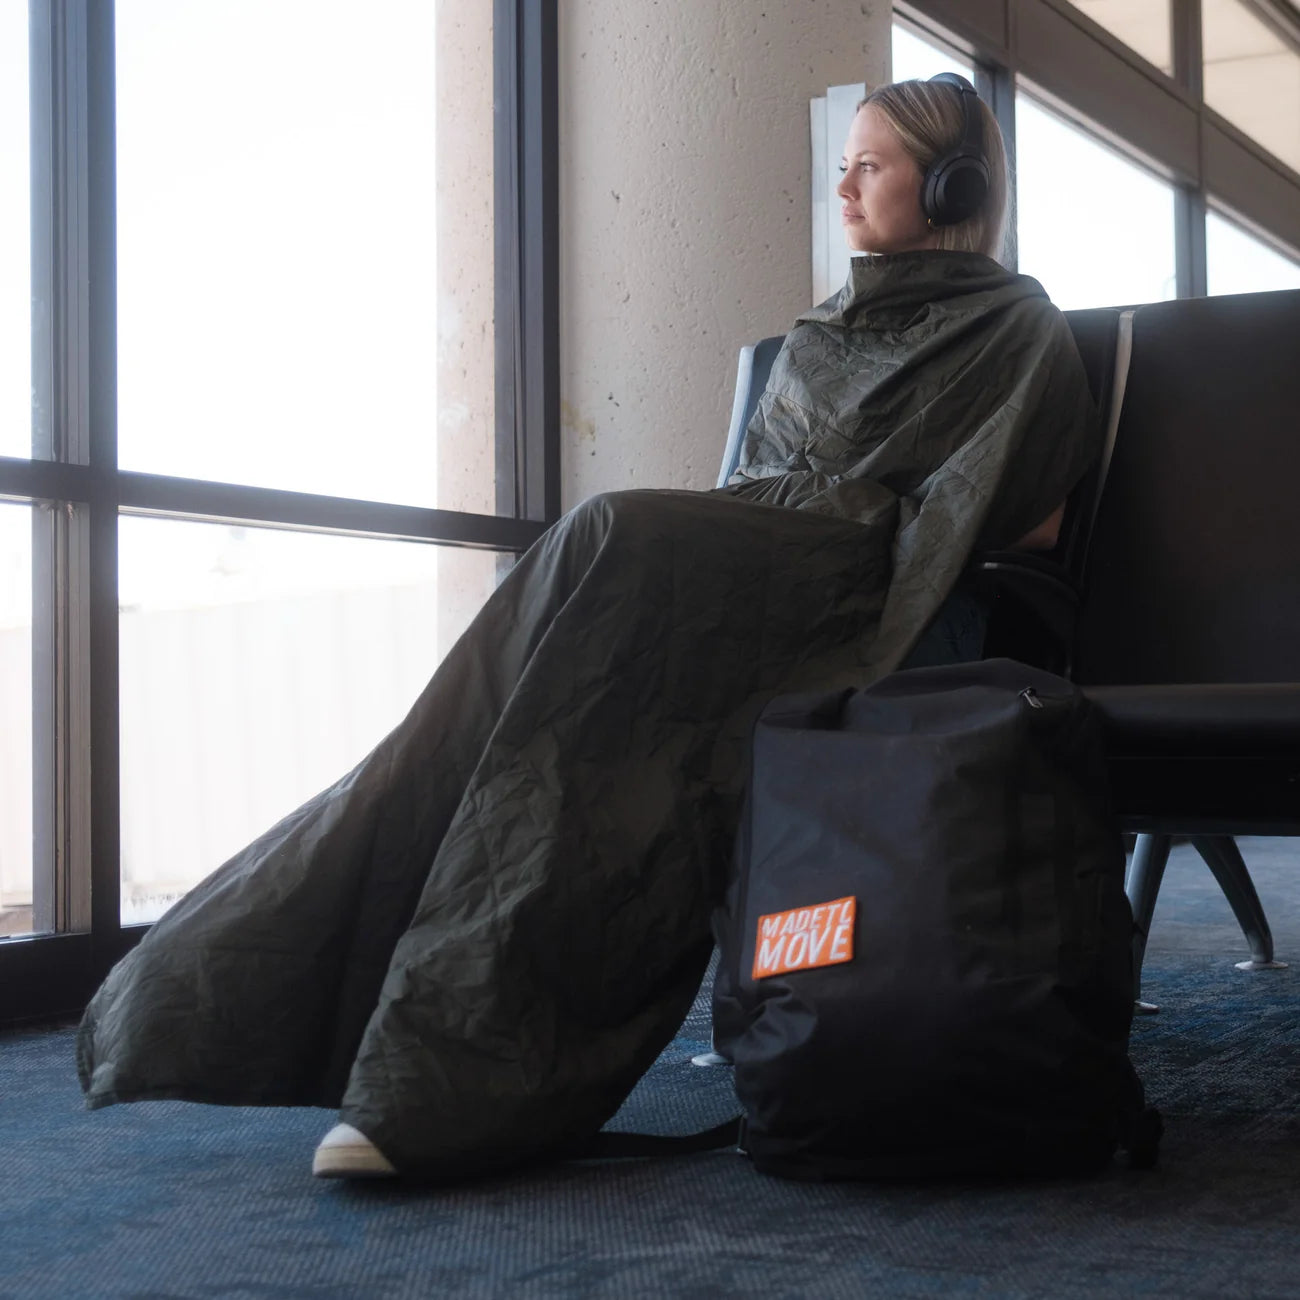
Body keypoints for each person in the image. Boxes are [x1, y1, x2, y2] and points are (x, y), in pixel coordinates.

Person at [76, 75, 1099, 1182]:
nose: (843, 187)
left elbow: (1027, 520)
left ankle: (440, 1081)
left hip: (877, 595)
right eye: (841, 163)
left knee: (605, 551)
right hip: (750, 574)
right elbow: (761, 486)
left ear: (948, 186)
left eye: (873, 167)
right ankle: (323, 1026)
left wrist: (874, 517)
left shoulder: (1017, 329)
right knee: (525, 693)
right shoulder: (822, 333)